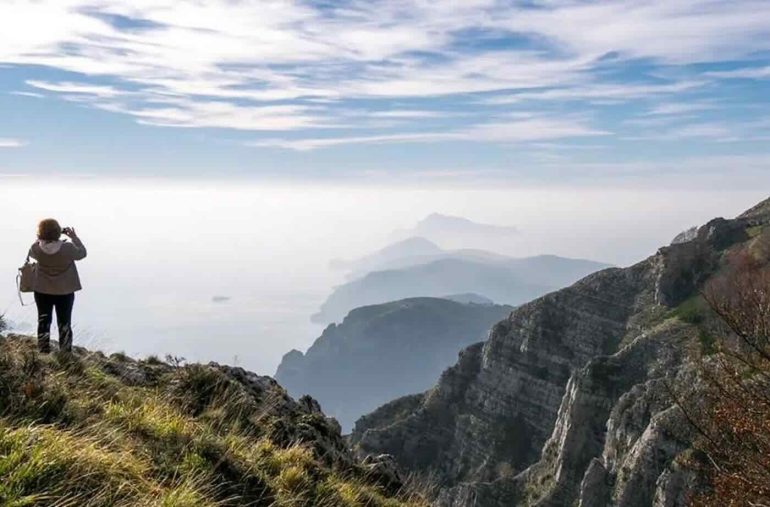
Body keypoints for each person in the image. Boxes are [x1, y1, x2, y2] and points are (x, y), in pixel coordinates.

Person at [28, 218, 87, 353]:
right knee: (64, 323)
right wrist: (74, 237)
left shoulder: (36, 248)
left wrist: (41, 237)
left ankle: (43, 352)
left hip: (42, 290)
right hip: (65, 291)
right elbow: (82, 253)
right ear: (58, 232)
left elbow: (33, 251)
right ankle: (65, 354)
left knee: (43, 321)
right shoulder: (68, 248)